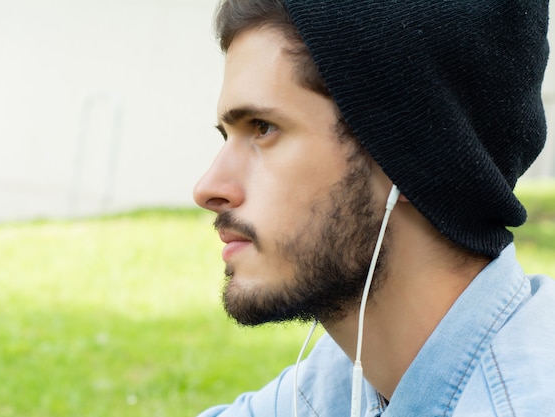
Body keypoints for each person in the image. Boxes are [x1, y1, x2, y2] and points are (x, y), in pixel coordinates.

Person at [192, 0, 555, 415]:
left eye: (262, 127)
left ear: (409, 153)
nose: (207, 189)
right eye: (227, 136)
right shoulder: (342, 382)